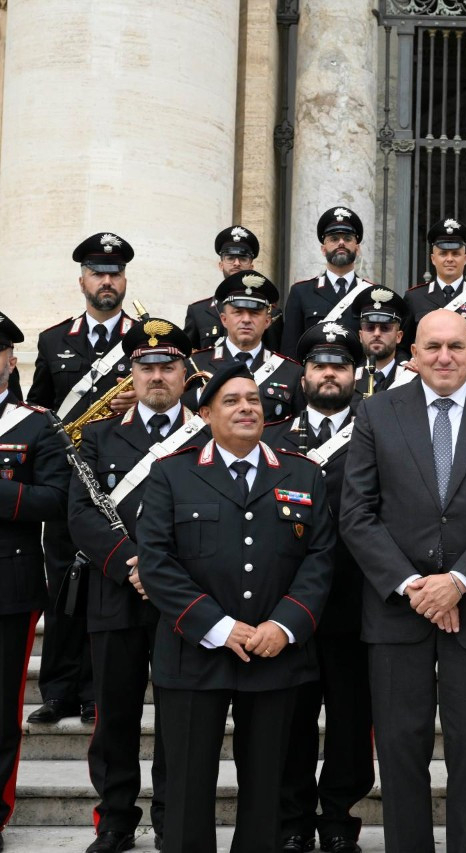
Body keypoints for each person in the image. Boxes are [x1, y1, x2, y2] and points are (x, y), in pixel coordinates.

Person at [341, 310, 466, 852]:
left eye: (455, 346)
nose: (444, 357)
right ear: (414, 353)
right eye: (432, 347)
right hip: (396, 611)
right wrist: (414, 585)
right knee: (399, 750)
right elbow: (357, 513)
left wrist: (459, 580)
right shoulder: (376, 412)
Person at [136, 361, 336, 853]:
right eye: (231, 401)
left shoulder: (303, 473)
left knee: (268, 793)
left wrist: (284, 625)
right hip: (193, 654)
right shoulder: (171, 473)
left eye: (253, 399)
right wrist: (219, 626)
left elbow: (320, 558)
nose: (246, 408)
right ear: (205, 414)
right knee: (186, 789)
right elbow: (157, 562)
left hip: (275, 656)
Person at [68, 319, 204, 853]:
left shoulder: (206, 433)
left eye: (167, 366)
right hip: (116, 592)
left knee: (178, 714)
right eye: (146, 367)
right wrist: (132, 564)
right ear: (132, 373)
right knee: (115, 713)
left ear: (185, 374)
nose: (156, 376)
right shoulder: (99, 436)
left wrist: (163, 574)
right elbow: (81, 515)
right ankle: (115, 819)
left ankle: (173, 816)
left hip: (182, 596)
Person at [264, 322, 373, 853]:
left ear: (356, 375)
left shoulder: (378, 433)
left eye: (341, 365)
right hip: (288, 608)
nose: (330, 373)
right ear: (302, 374)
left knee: (351, 723)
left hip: (356, 604)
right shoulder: (272, 439)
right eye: (319, 365)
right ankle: (291, 821)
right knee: (291, 722)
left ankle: (338, 822)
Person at [28, 232, 141, 726]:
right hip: (66, 480)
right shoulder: (54, 340)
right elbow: (38, 409)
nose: (107, 281)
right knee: (61, 587)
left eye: (115, 273)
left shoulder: (144, 339)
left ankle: (97, 692)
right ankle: (58, 691)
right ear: (82, 281)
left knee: (106, 588)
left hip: (121, 482)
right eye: (98, 273)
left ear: (124, 279)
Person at [0, 310, 70, 849]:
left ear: (9, 361)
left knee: (2, 710)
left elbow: (56, 498)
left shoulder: (36, 424)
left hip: (9, 583)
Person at [187, 271, 303, 422]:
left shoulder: (291, 372)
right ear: (224, 319)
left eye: (254, 313)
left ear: (267, 321)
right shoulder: (194, 365)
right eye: (238, 312)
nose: (246, 319)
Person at [281, 206, 375, 360]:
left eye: (348, 239)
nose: (341, 243)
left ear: (357, 248)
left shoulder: (370, 293)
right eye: (334, 239)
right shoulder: (301, 292)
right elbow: (290, 350)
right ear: (323, 249)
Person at [183, 225, 282, 352]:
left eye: (243, 258)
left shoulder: (270, 313)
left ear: (251, 266)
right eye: (230, 258)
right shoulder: (198, 311)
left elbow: (275, 355)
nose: (236, 263)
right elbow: (188, 356)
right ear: (221, 265)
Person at [404, 217, 466, 329]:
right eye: (443, 254)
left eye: (456, 254)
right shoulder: (415, 297)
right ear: (433, 259)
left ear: (465, 259)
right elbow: (405, 339)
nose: (449, 259)